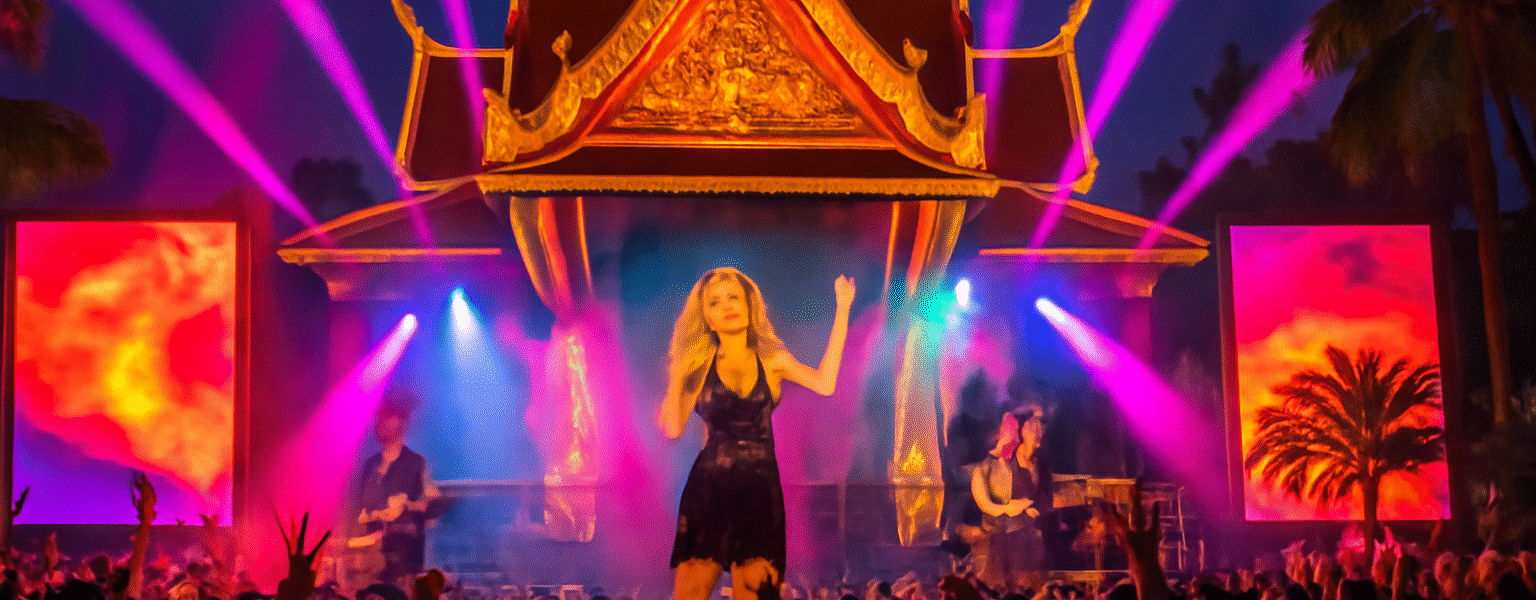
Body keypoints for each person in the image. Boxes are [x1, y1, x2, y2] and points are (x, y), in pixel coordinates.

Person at [658, 267, 854, 600]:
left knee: (758, 593)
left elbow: (825, 383)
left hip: (760, 494)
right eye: (715, 302)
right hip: (708, 492)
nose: (726, 306)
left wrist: (843, 308)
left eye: (733, 297)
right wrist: (676, 375)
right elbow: (673, 428)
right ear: (707, 318)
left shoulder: (773, 360)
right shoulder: (700, 366)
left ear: (749, 304)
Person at [347, 391, 444, 590]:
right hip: (371, 565)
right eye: (378, 417)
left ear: (401, 422)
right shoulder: (370, 466)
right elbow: (358, 511)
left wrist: (407, 507)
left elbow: (433, 507)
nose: (379, 422)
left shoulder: (416, 464)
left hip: (404, 567)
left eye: (387, 416)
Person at [970, 409, 1052, 592]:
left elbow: (1046, 497)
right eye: (1031, 426)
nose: (1038, 429)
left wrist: (1035, 510)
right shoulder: (1003, 463)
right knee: (1007, 587)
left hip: (1030, 536)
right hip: (1006, 537)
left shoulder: (1039, 462)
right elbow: (993, 503)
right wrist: (1013, 508)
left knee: (1031, 587)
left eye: (1040, 425)